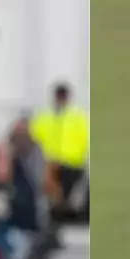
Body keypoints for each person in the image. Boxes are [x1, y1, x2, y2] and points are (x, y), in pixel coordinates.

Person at [29, 83, 89, 221]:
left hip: (72, 164)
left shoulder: (78, 118)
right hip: (50, 165)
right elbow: (34, 138)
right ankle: (53, 220)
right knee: (51, 197)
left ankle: (67, 218)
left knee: (69, 198)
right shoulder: (44, 117)